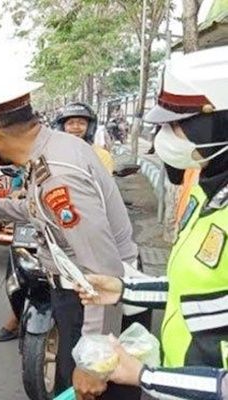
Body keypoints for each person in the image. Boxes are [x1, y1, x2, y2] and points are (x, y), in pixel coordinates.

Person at [0, 74, 148, 398]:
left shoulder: (59, 175)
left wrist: (94, 362)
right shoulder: (54, 148)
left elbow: (101, 272)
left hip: (93, 302)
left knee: (91, 390)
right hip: (83, 295)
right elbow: (41, 209)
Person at [73, 44, 228, 400]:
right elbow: (198, 295)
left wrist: (146, 376)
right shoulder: (208, 193)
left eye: (179, 125)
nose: (165, 138)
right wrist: (126, 290)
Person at [53, 102, 115, 174]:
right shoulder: (54, 154)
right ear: (62, 128)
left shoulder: (101, 155)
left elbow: (105, 183)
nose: (76, 127)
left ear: (90, 128)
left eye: (81, 123)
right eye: (70, 123)